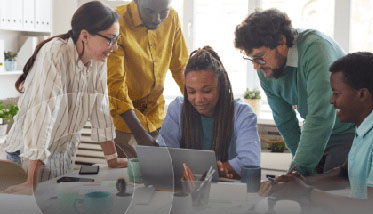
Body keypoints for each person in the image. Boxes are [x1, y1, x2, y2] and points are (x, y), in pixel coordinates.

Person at [1, 1, 126, 194]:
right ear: (85, 35)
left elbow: (100, 107)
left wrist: (112, 159)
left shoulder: (98, 59)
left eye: (117, 39)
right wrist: (30, 182)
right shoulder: (55, 52)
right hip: (28, 155)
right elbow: (42, 112)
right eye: (110, 39)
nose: (115, 46)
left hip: (60, 153)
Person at [260, 52, 373, 214]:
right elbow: (344, 174)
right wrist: (300, 183)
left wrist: (307, 193)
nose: (331, 101)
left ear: (362, 94)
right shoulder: (366, 127)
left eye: (336, 93)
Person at [234, 9, 355, 175]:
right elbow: (285, 121)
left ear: (282, 42)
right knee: (302, 188)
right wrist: (297, 170)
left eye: (259, 57)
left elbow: (320, 116)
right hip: (316, 131)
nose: (255, 66)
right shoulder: (265, 69)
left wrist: (295, 173)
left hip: (348, 131)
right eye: (252, 59)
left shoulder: (316, 49)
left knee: (327, 190)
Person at [157, 46, 260, 179]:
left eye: (207, 91)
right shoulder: (177, 108)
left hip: (229, 193)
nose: (199, 99)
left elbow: (250, 163)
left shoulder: (242, 114)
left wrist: (212, 171)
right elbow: (163, 156)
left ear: (221, 87)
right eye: (192, 91)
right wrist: (214, 169)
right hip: (185, 191)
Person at [107, 0, 188, 158]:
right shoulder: (117, 20)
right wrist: (139, 133)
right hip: (127, 122)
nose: (157, 18)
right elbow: (115, 82)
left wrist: (196, 104)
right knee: (132, 179)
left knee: (160, 178)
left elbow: (181, 68)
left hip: (157, 118)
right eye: (150, 12)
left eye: (163, 12)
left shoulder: (172, 17)